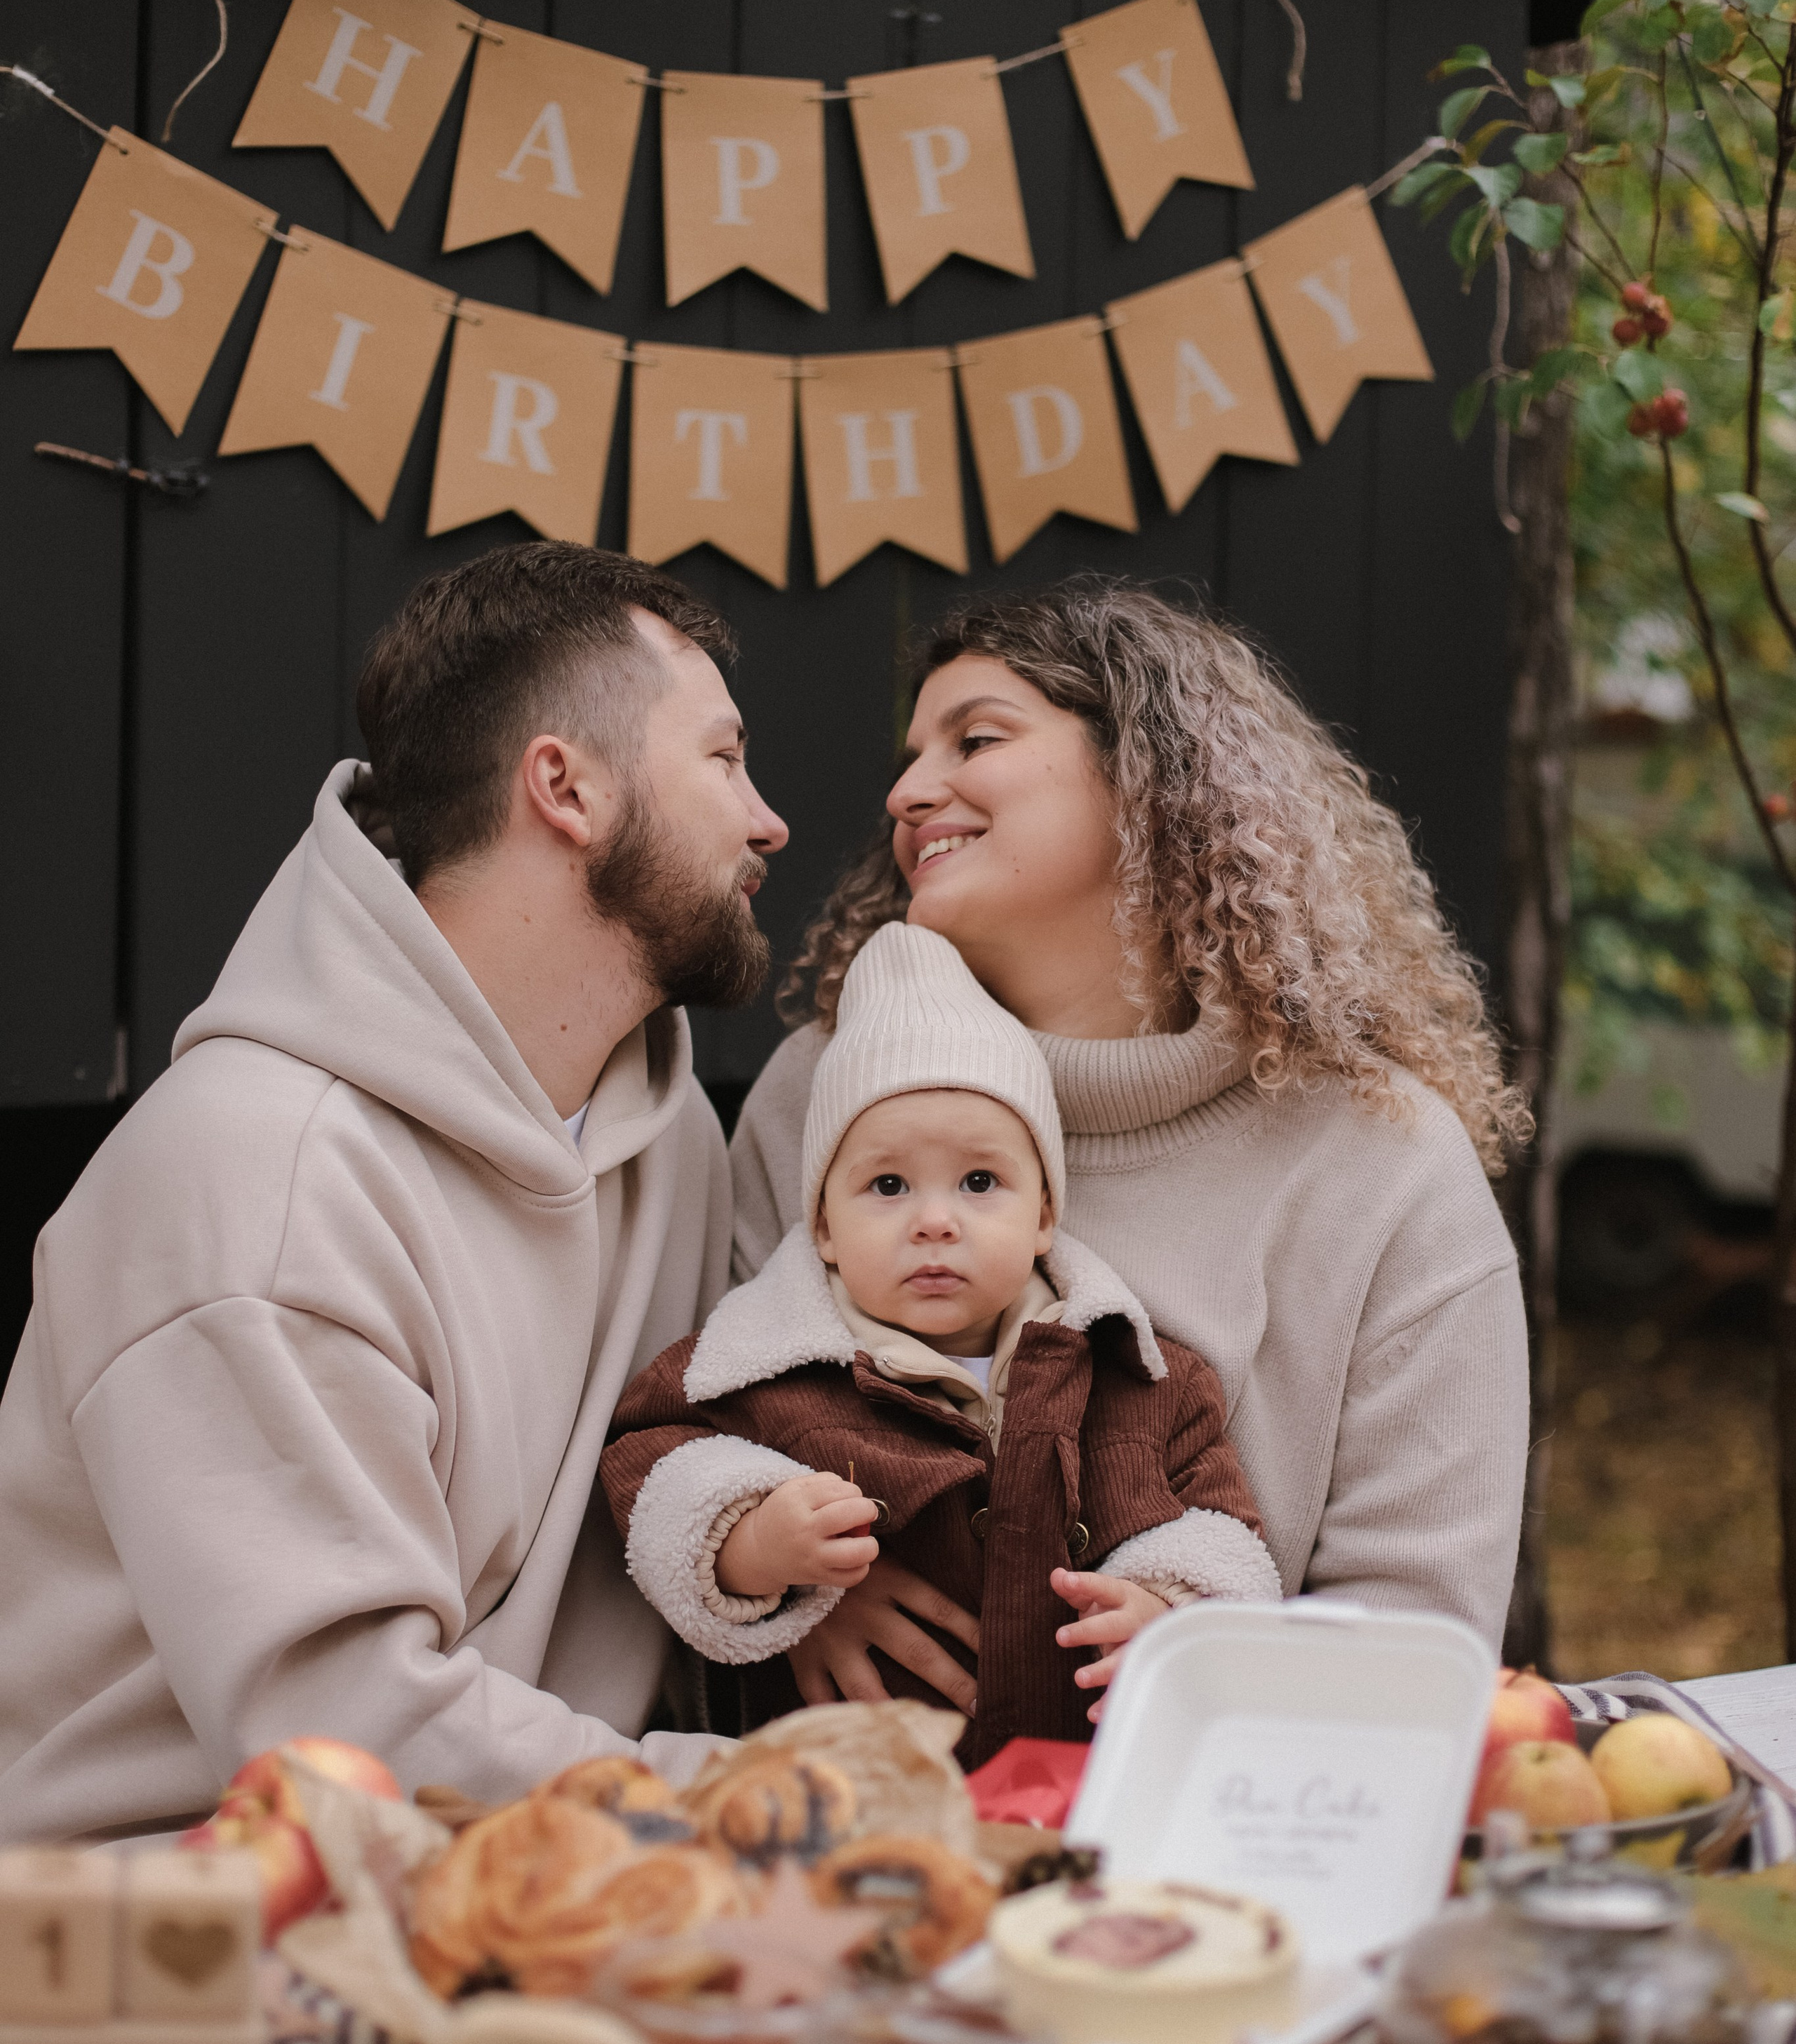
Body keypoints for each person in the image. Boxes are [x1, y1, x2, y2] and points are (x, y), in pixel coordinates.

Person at [0, 542, 786, 1844]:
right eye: (721, 757)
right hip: (184, 1940)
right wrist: (764, 1808)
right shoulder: (258, 1175)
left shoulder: (670, 1138)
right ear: (567, 788)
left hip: (556, 1892)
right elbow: (343, 1734)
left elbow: (678, 1504)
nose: (767, 818)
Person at [732, 577, 1531, 1709]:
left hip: (1222, 1834)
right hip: (849, 1825)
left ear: (1151, 775)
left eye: (977, 738)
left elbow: (1414, 1623)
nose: (910, 793)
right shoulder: (824, 1090)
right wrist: (800, 1589)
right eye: (909, 758)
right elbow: (701, 1419)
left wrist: (1195, 1660)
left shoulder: (1381, 1157)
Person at [601, 923, 1278, 1770]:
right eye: (887, 1186)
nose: (934, 1219)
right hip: (851, 1805)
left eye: (979, 1182)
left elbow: (1222, 1530)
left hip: (1081, 1806)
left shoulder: (1141, 1379)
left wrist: (1169, 1613)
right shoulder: (762, 1374)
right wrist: (753, 1543)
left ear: (1041, 1217)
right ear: (823, 1227)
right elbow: (652, 1463)